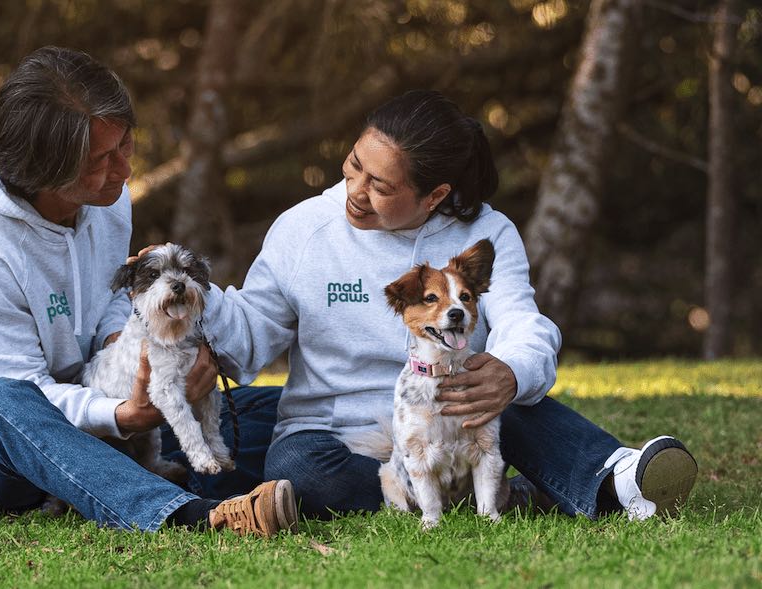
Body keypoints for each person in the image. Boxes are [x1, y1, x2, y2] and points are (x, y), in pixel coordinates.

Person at [198, 90, 698, 521]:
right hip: (341, 434)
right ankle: (497, 496)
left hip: (456, 412)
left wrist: (512, 370)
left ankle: (613, 481)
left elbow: (522, 324)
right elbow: (248, 334)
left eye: (381, 186)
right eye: (355, 165)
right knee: (300, 471)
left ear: (434, 195)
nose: (355, 192)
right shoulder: (303, 229)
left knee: (507, 393)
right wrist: (195, 296)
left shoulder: (486, 232)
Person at [0, 46, 298, 537]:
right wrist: (123, 415)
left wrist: (136, 356)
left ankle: (363, 470)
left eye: (125, 145)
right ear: (44, 173)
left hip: (94, 404)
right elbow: (18, 395)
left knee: (290, 411)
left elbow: (111, 305)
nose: (124, 170)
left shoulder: (106, 202)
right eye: (102, 159)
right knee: (4, 403)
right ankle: (185, 515)